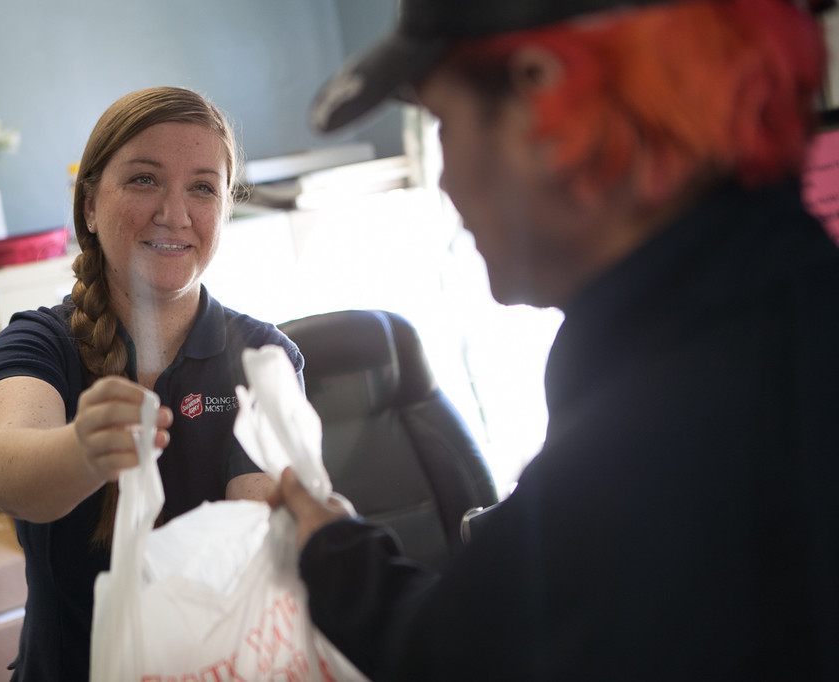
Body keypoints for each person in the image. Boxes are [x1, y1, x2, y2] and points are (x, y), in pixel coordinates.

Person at [274, 0, 839, 679]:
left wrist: (328, 548)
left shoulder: (658, 425)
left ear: (541, 92)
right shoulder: (783, 306)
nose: (447, 180)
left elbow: (462, 654)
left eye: (442, 122)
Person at [0, 86, 303, 682]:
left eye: (203, 187)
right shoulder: (38, 344)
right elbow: (5, 468)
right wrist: (82, 451)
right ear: (91, 206)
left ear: (226, 209)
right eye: (145, 179)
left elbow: (251, 539)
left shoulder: (262, 357)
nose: (174, 213)